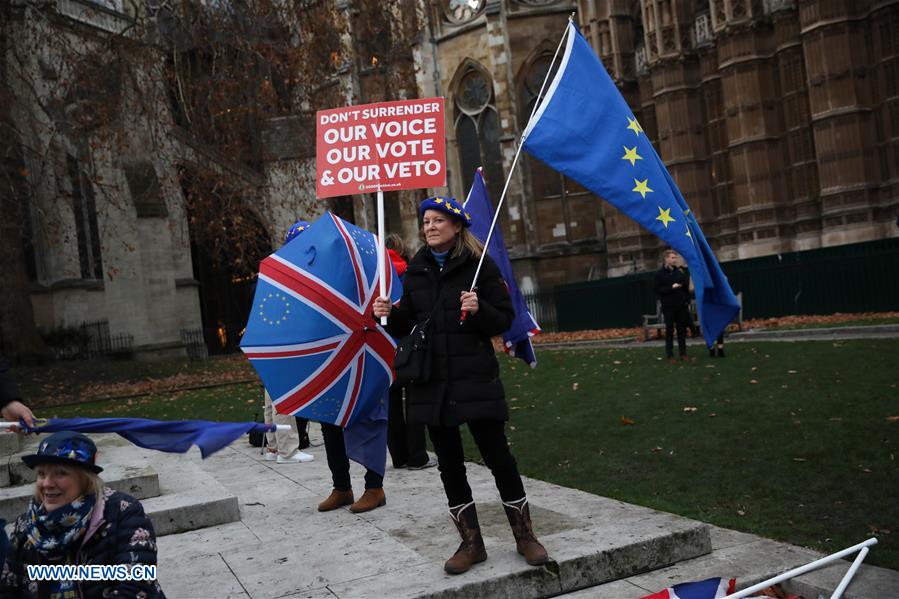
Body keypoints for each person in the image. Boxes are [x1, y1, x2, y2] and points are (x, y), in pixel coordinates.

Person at [373, 196, 549, 575]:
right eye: (426, 221)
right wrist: (389, 314)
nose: (430, 227)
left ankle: (525, 536)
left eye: (438, 221)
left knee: (499, 457)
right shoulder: (416, 269)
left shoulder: (479, 266)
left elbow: (503, 319)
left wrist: (479, 308)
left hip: (474, 378)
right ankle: (471, 544)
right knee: (449, 465)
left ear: (456, 226)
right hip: (432, 383)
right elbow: (409, 325)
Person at [0, 431, 164, 598]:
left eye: (60, 473)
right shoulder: (26, 525)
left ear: (85, 479)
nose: (47, 484)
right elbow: (8, 589)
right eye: (42, 474)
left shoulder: (122, 512)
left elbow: (136, 587)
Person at [259, 220, 315, 464]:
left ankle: (274, 447)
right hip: (284, 338)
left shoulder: (274, 266)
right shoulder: (291, 269)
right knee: (284, 395)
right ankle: (288, 450)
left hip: (269, 338)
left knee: (272, 397)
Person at [384, 234, 436, 471]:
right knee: (413, 400)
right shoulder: (409, 270)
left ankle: (398, 455)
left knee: (391, 403)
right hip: (407, 344)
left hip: (382, 346)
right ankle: (417, 455)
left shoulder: (374, 276)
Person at [655, 249, 692, 363]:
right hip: (668, 307)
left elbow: (686, 287)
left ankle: (683, 353)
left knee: (682, 331)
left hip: (681, 306)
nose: (674, 260)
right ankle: (670, 355)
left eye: (675, 258)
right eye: (672, 257)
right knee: (670, 330)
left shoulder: (679, 272)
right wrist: (671, 287)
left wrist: (686, 301)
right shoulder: (660, 274)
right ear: (666, 259)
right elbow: (657, 289)